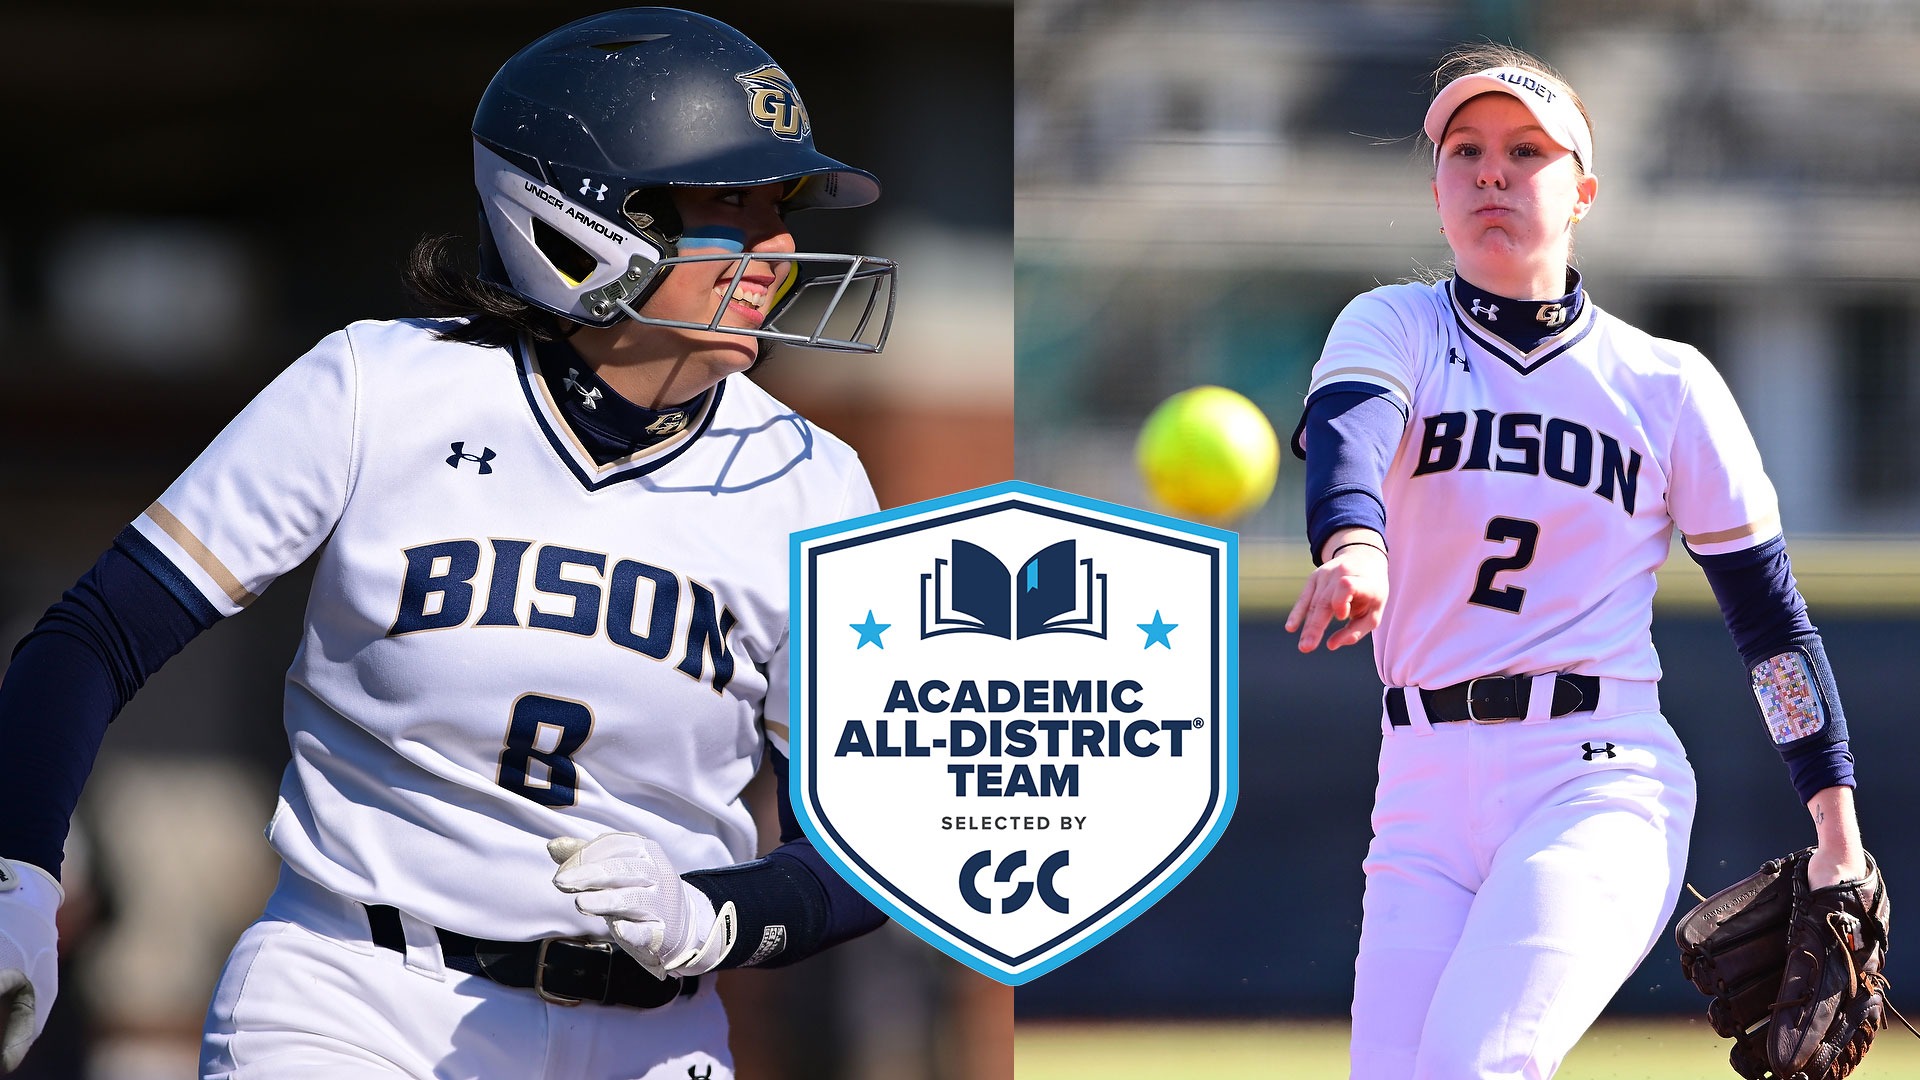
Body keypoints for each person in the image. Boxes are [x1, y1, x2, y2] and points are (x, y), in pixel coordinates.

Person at [0, 8, 901, 1078]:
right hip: (361, 999)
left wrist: (723, 916)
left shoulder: (814, 479)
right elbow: (93, 637)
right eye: (731, 207)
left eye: (780, 209)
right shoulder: (376, 388)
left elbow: (874, 835)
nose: (780, 248)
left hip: (657, 1035)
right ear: (582, 220)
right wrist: (19, 876)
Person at [1284, 44, 1869, 1079]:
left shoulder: (1665, 382)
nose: (1492, 172)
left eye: (1527, 151)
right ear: (1436, 187)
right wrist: (1352, 541)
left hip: (1594, 778)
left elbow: (1772, 626)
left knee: (1474, 1066)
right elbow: (1349, 434)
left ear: (1584, 191)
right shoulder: (1394, 325)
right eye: (1465, 152)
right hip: (1418, 790)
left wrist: (1837, 828)